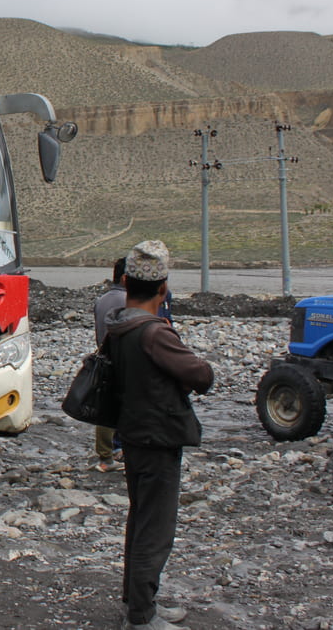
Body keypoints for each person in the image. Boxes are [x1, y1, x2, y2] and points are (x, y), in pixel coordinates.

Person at [104, 240, 213, 630]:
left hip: (133, 435)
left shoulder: (118, 325)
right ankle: (142, 616)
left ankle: (137, 602)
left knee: (141, 520)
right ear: (162, 288)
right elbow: (201, 375)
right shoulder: (153, 333)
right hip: (158, 439)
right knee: (156, 528)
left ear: (127, 281)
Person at [93, 256, 128, 471]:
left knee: (106, 409)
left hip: (104, 358)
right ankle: (115, 453)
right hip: (123, 360)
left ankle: (106, 455)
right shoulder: (129, 301)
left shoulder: (102, 300)